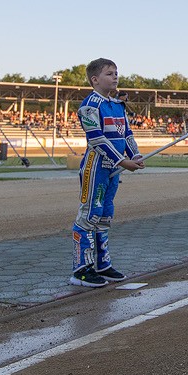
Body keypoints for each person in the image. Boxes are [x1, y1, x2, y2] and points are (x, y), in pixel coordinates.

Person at [70, 58, 145, 287]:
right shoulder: (90, 105)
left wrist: (136, 154)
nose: (115, 76)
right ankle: (81, 269)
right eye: (109, 73)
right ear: (95, 79)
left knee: (105, 215)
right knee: (90, 214)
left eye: (116, 73)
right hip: (96, 167)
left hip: (114, 168)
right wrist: (123, 161)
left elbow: (127, 134)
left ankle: (102, 264)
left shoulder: (117, 106)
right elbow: (97, 140)